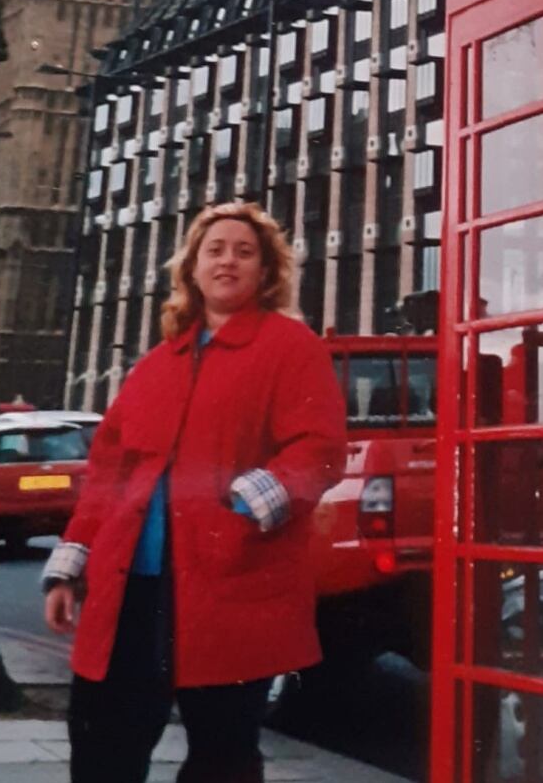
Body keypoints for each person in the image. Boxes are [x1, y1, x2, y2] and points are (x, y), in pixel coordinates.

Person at [42, 201, 347, 783]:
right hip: (130, 586)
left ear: (266, 272)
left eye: (244, 251)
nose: (227, 260)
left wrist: (243, 506)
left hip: (231, 582)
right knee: (103, 739)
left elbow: (319, 450)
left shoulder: (290, 347)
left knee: (222, 754)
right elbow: (108, 472)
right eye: (215, 249)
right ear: (192, 268)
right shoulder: (157, 363)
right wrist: (70, 563)